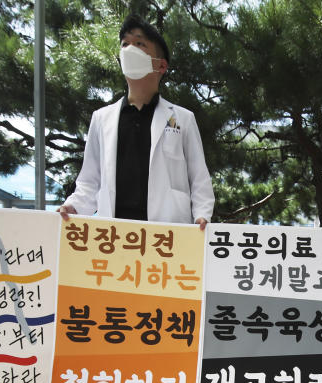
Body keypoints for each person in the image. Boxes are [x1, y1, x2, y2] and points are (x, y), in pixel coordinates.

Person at [58, 15, 214, 230]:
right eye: (125, 44)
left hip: (166, 235)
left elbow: (199, 178)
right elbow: (89, 181)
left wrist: (202, 215)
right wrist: (73, 206)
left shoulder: (183, 118)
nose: (130, 49)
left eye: (139, 43)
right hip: (114, 234)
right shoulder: (102, 118)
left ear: (161, 65)